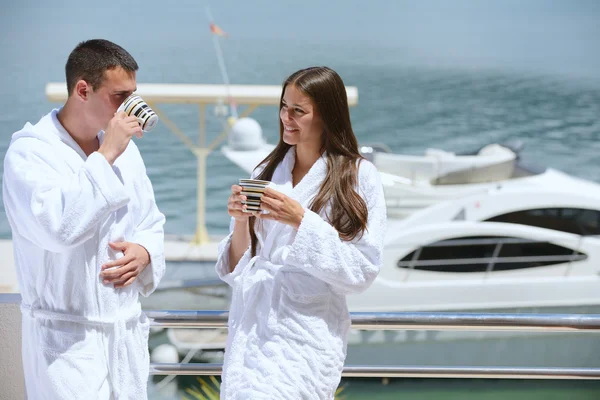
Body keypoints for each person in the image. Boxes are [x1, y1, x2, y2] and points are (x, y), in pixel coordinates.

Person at [2, 39, 166, 399]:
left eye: (133, 96)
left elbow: (151, 219)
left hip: (122, 335)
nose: (131, 108)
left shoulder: (127, 152)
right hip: (65, 344)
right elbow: (58, 230)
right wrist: (105, 156)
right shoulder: (30, 155)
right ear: (82, 89)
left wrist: (146, 251)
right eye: (119, 97)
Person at [215, 66, 387, 399]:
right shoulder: (264, 172)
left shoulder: (357, 177)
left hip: (304, 336)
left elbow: (362, 270)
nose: (286, 118)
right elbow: (238, 268)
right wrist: (239, 220)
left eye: (298, 111)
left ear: (326, 115)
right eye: (283, 107)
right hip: (250, 333)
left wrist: (302, 221)